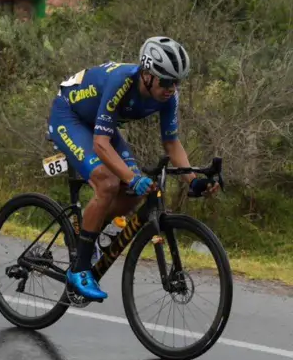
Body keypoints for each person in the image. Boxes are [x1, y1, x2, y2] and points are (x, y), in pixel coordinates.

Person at [51, 36, 220, 301]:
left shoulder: (168, 97)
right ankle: (79, 269)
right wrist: (131, 177)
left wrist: (193, 180)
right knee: (108, 183)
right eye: (166, 81)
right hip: (69, 116)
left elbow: (171, 143)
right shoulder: (122, 81)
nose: (171, 88)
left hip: (96, 123)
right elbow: (100, 144)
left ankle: (86, 234)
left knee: (138, 192)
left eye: (177, 82)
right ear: (147, 75)